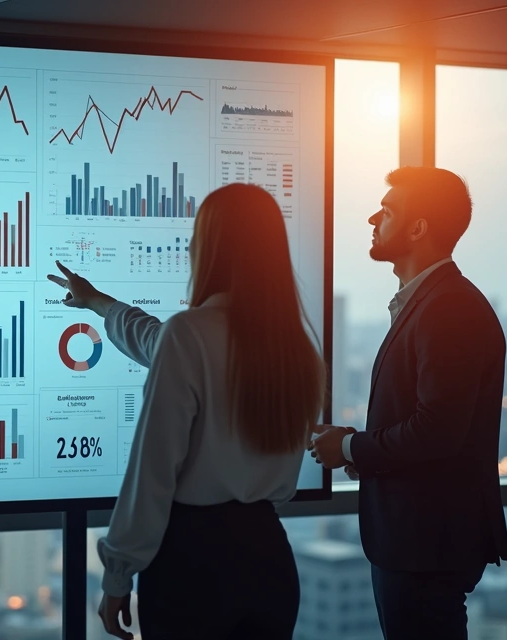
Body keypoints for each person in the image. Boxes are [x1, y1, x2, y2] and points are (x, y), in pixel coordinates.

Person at [51, 183, 326, 640]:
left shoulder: (191, 335)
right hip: (270, 561)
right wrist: (96, 300)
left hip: (194, 566)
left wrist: (119, 575)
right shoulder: (297, 348)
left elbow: (152, 471)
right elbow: (153, 338)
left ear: (211, 247)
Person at [310, 166, 507, 640]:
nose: (372, 218)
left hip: (425, 544)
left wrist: (352, 449)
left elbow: (437, 429)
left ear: (419, 228)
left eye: (388, 210)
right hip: (420, 540)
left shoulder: (449, 310)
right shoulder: (432, 304)